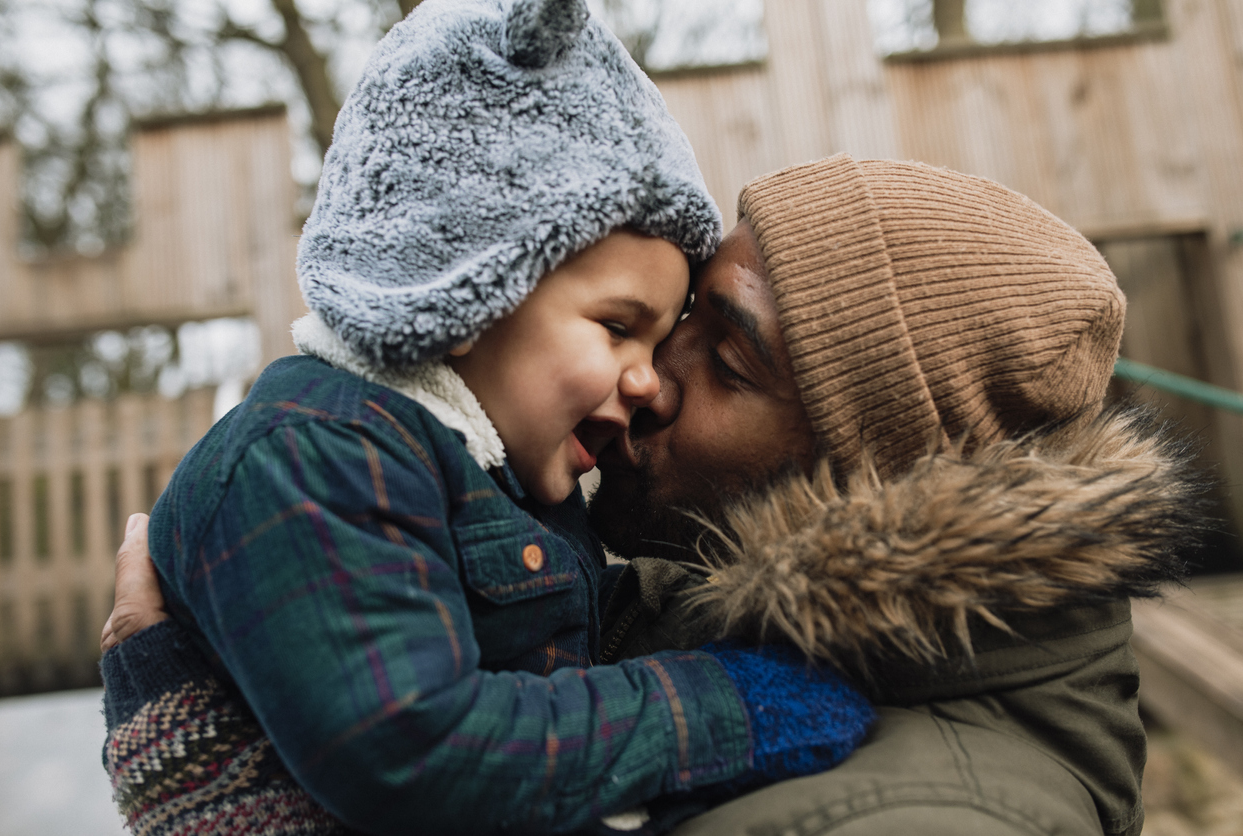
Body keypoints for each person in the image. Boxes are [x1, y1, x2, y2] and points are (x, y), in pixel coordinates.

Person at [103, 152, 1206, 836]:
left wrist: (217, 808)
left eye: (726, 364)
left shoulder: (908, 816)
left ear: (881, 485)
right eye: (672, 318)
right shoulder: (693, 600)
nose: (640, 381)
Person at [95, 1, 874, 835]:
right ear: (465, 288)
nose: (648, 382)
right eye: (618, 326)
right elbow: (420, 748)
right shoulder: (312, 457)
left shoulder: (478, 467)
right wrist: (730, 706)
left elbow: (566, 639)